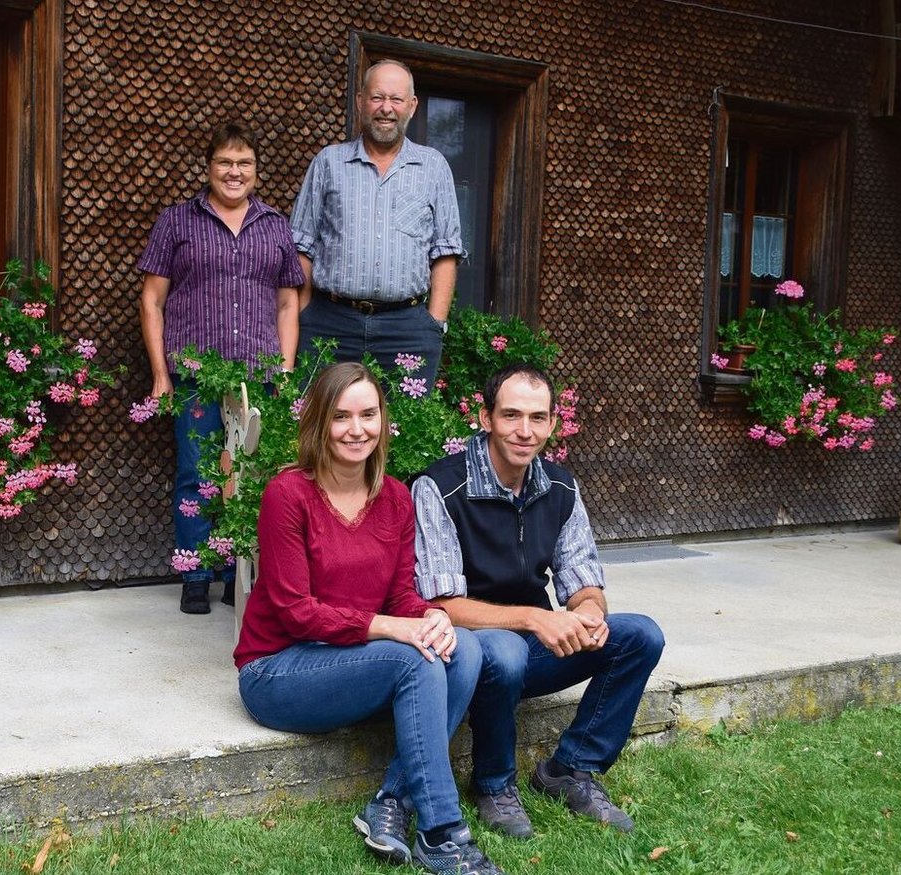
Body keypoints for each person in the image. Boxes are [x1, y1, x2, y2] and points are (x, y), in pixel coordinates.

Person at [234, 363, 504, 875]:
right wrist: (392, 628)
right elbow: (296, 613)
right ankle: (442, 833)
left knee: (463, 647)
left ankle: (390, 802)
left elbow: (402, 595)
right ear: (318, 422)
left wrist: (430, 617)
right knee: (412, 658)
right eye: (341, 416)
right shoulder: (287, 496)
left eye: (368, 414)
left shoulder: (396, 499)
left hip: (353, 662)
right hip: (277, 670)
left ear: (383, 420)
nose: (356, 429)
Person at [412, 363, 665, 838]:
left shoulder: (561, 486)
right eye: (510, 416)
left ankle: (570, 768)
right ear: (485, 417)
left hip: (532, 645)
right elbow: (441, 604)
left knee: (641, 636)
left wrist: (589, 611)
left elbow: (583, 581)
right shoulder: (440, 488)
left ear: (552, 424)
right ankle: (492, 783)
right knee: (504, 651)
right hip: (465, 654)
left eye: (537, 418)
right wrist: (535, 618)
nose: (524, 431)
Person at [139, 122, 304, 614]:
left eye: (244, 163)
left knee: (250, 474)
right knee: (197, 472)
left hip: (258, 373)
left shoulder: (275, 226)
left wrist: (287, 371)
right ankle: (195, 573)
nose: (235, 172)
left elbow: (288, 305)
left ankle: (238, 574)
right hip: (195, 373)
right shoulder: (177, 222)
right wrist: (161, 374)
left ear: (256, 170)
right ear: (209, 168)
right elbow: (152, 300)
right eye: (225, 163)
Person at [290, 59, 464, 389]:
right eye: (377, 97)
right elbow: (302, 244)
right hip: (331, 323)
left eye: (396, 99)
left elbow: (445, 252)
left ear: (411, 106)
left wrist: (434, 322)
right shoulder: (329, 162)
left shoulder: (434, 167)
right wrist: (306, 313)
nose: (386, 108)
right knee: (319, 426)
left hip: (407, 329)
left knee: (407, 432)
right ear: (360, 101)